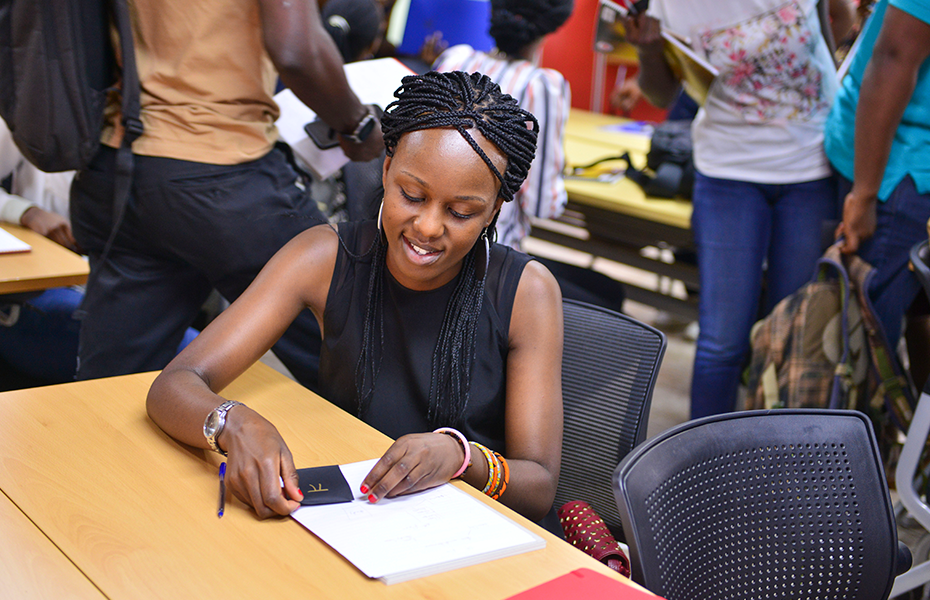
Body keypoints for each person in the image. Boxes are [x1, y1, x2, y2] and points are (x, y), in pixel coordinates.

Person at [146, 71, 564, 526]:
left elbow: (538, 487)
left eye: (461, 212)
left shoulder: (526, 292)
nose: (427, 226)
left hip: (468, 535)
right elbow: (175, 384)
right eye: (411, 194)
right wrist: (234, 423)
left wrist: (461, 457)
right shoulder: (325, 257)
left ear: (495, 209)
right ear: (385, 170)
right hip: (353, 518)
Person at [70, 0, 384, 390]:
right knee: (366, 350)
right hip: (224, 169)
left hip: (123, 167)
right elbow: (295, 47)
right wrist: (358, 124)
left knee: (113, 390)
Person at [625, 0, 855, 419]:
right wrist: (647, 48)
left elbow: (839, 16)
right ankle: (708, 462)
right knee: (722, 341)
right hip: (727, 172)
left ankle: (777, 459)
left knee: (794, 336)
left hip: (811, 166)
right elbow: (662, 93)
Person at [0, 119, 198, 385]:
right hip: (52, 283)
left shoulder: (162, 123)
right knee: (187, 357)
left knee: (200, 354)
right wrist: (25, 211)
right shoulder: (42, 105)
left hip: (129, 279)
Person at [825, 0, 930, 354]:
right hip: (879, 164)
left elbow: (893, 57)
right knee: (863, 337)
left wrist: (865, 193)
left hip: (897, 174)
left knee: (864, 350)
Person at [432, 0, 572, 251]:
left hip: (426, 236)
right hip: (488, 255)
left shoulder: (454, 60)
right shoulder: (540, 86)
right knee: (606, 290)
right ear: (554, 23)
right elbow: (542, 204)